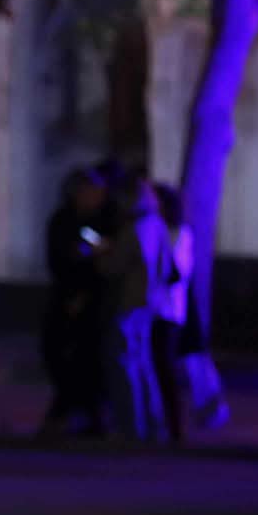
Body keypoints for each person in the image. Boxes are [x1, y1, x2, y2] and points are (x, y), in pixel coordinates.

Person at [95, 172, 175, 441]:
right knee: (144, 365)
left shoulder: (135, 228)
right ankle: (153, 426)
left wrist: (101, 253)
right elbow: (168, 268)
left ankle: (132, 427)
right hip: (150, 303)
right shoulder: (157, 225)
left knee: (125, 366)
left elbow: (112, 267)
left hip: (129, 303)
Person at [40, 167, 111, 436]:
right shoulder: (63, 221)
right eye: (92, 192)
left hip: (93, 300)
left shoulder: (104, 220)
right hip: (64, 295)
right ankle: (69, 409)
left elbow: (105, 263)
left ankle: (85, 415)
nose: (97, 198)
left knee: (87, 359)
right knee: (54, 351)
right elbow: (58, 260)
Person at [148, 183, 195, 443]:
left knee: (165, 368)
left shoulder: (180, 235)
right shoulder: (159, 231)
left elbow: (176, 273)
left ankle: (175, 426)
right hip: (153, 308)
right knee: (154, 367)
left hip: (167, 311)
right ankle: (157, 422)